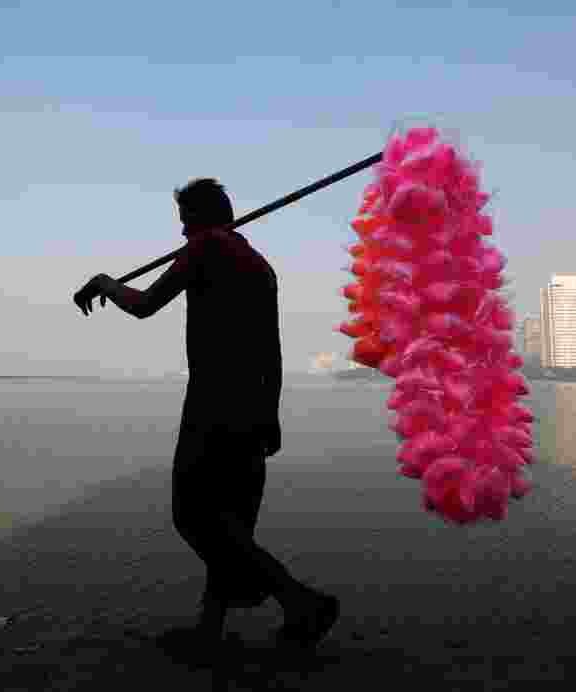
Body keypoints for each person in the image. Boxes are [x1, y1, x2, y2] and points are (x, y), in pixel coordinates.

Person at [74, 178, 339, 654]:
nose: (180, 234)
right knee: (231, 518)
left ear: (198, 218)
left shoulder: (204, 250)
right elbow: (272, 350)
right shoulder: (260, 265)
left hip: (213, 403)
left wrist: (104, 283)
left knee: (193, 515)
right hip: (253, 404)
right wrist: (272, 413)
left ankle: (298, 599)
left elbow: (143, 305)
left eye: (183, 222)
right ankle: (210, 629)